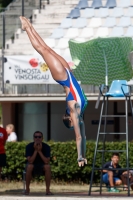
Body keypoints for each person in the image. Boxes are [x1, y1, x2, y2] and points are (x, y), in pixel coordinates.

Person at [19, 16, 88, 167]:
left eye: (73, 123)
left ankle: (27, 29)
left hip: (63, 77)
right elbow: (83, 135)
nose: (76, 124)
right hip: (69, 74)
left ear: (70, 119)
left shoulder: (74, 110)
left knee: (43, 51)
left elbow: (78, 136)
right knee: (47, 48)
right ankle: (29, 26)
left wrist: (79, 157)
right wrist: (83, 154)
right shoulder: (79, 112)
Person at [25, 131, 52, 195]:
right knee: (29, 166)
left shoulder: (46, 147)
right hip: (32, 164)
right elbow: (30, 161)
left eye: (39, 137)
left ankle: (48, 190)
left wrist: (39, 151)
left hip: (42, 165)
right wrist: (35, 151)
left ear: (42, 138)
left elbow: (46, 161)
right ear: (33, 138)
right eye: (36, 137)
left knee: (47, 167)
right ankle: (27, 189)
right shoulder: (29, 146)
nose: (37, 138)